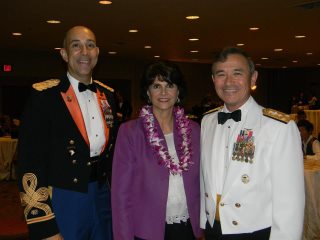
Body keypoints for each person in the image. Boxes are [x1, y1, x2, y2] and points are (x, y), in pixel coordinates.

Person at [17, 26, 118, 240]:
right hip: (64, 198)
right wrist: (42, 223)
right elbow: (29, 162)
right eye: (76, 45)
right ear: (64, 54)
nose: (84, 51)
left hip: (102, 198)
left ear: (97, 52)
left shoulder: (108, 95)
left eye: (90, 45)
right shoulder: (44, 96)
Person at [200, 47, 305, 239]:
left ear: (253, 78)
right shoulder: (208, 121)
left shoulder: (279, 127)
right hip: (213, 229)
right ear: (213, 79)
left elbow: (290, 202)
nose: (228, 82)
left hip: (255, 232)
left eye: (237, 73)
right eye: (221, 74)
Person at [111, 61, 202, 240]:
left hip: (187, 227)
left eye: (169, 85)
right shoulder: (130, 132)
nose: (163, 93)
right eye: (156, 86)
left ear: (178, 92)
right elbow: (120, 195)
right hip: (146, 229)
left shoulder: (194, 130)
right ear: (147, 92)